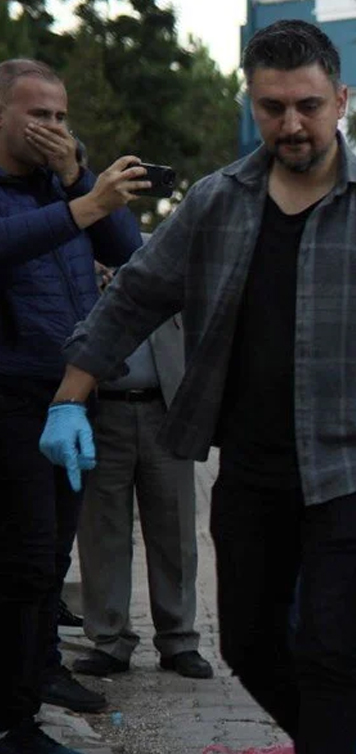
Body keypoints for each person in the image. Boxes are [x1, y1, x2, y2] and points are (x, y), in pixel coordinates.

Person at [38, 20, 356, 754]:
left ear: (341, 100)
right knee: (248, 644)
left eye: (308, 106)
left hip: (354, 473)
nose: (291, 124)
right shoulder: (218, 202)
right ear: (252, 103)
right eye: (272, 107)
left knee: (327, 650)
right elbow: (134, 296)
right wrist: (68, 398)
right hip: (253, 472)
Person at [0, 57, 148, 754]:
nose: (55, 128)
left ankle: (39, 678)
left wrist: (78, 181)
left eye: (61, 116)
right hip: (10, 399)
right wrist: (82, 205)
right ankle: (13, 721)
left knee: (52, 559)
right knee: (24, 559)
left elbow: (130, 251)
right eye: (39, 115)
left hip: (72, 398)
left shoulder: (62, 185)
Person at [72, 279, 213, 681]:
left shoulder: (161, 259)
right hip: (101, 410)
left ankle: (179, 640)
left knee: (175, 529)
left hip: (165, 410)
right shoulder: (81, 264)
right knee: (102, 531)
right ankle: (110, 641)